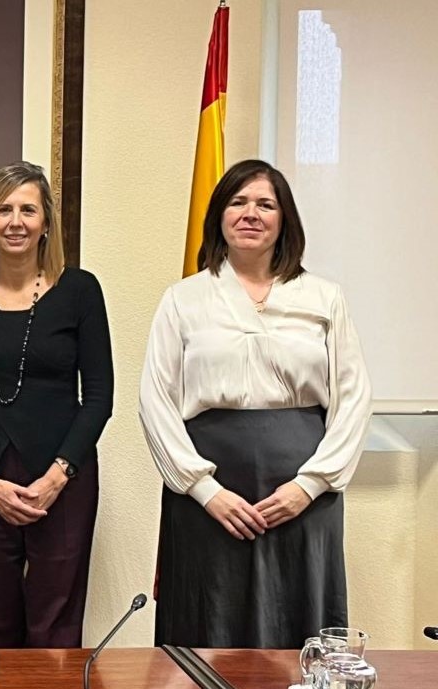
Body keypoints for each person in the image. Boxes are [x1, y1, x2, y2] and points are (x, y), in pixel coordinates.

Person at [139, 159, 372, 649]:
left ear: (284, 218)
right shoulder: (183, 299)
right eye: (237, 202)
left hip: (304, 495)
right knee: (207, 626)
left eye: (265, 204)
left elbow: (354, 397)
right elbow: (155, 400)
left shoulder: (324, 298)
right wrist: (205, 490)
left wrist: (309, 486)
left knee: (300, 629)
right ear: (219, 216)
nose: (251, 213)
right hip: (208, 498)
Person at [0, 161, 113, 648]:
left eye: (27, 210)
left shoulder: (80, 291)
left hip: (65, 477)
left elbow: (99, 397)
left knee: (56, 625)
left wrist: (57, 477)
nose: (15, 221)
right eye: (3, 210)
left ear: (46, 223)